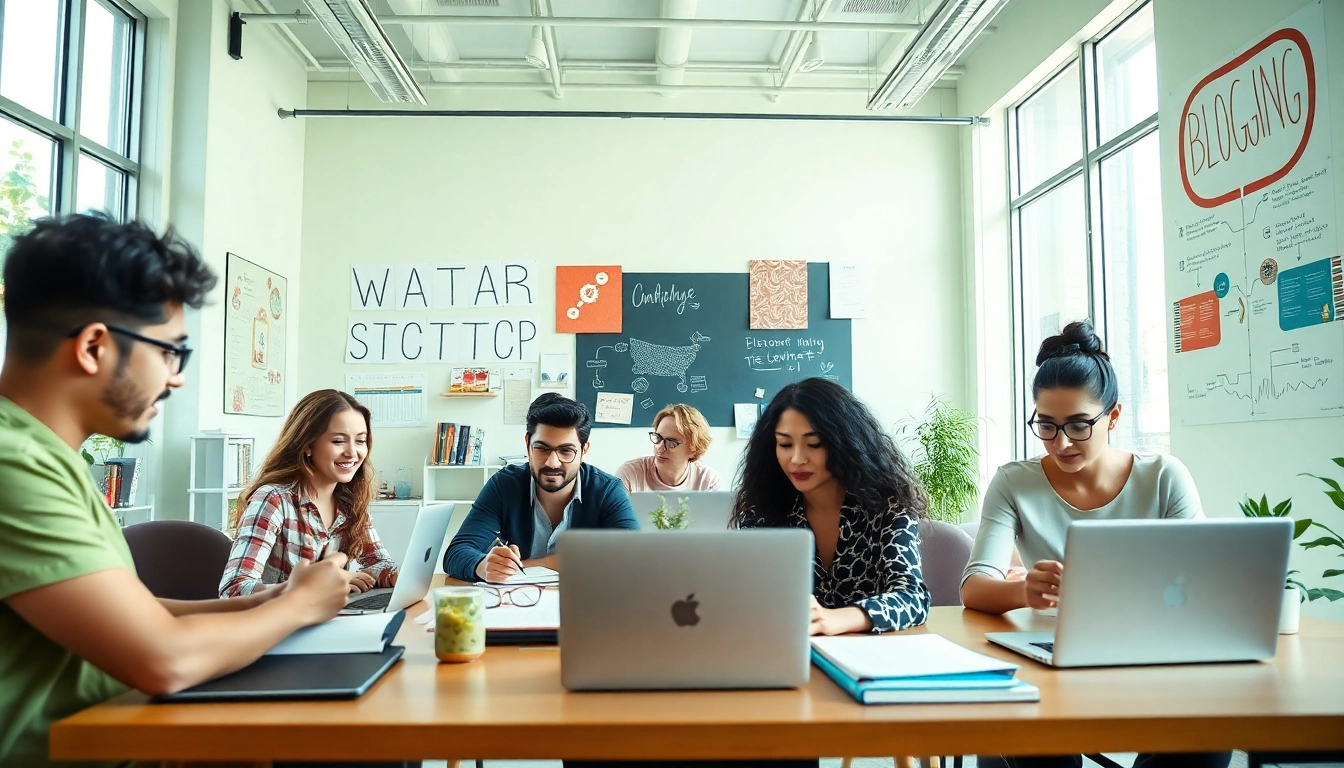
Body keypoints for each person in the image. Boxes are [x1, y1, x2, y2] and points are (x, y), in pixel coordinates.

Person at [0, 214, 350, 767]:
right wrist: (299, 607)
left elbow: (134, 613)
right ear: (94, 347)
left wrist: (267, 601)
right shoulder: (14, 467)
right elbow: (162, 659)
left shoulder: (44, 456)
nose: (175, 377)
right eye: (169, 352)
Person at [962, 320, 1229, 768]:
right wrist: (1024, 591)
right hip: (1051, 657)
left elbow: (1204, 581)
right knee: (1031, 742)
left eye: (1078, 425)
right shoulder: (1014, 482)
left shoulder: (1164, 477)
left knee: (1206, 736)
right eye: (1045, 426)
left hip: (1155, 654)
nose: (1060, 442)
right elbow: (974, 587)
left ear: (1115, 416)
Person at [731, 377, 930, 635]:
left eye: (814, 444)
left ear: (845, 443)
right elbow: (747, 599)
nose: (797, 459)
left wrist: (837, 619)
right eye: (785, 444)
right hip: (790, 655)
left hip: (871, 657)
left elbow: (913, 597)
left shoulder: (888, 508)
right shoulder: (762, 513)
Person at [220, 389, 399, 598]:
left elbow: (379, 561)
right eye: (338, 441)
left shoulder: (350, 501)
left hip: (328, 621)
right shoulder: (274, 499)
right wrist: (318, 585)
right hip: (279, 625)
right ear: (308, 445)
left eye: (360, 441)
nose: (352, 452)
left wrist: (396, 575)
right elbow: (235, 588)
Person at [443, 392, 639, 583]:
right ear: (528, 444)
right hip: (514, 606)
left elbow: (633, 557)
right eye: (542, 448)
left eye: (566, 451)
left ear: (584, 450)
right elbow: (457, 552)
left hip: (585, 606)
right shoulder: (503, 486)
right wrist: (482, 565)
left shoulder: (608, 491)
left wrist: (534, 564)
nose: (552, 462)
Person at [615, 403, 721, 492]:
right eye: (658, 438)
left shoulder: (707, 480)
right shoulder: (630, 474)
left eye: (671, 442)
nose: (660, 447)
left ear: (693, 449)